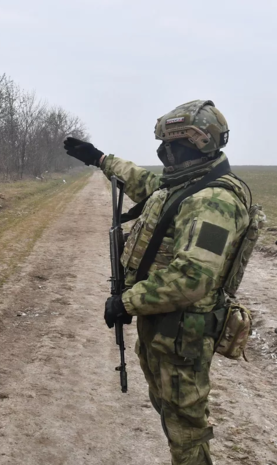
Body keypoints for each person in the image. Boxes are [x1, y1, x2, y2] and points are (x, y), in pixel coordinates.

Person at [64, 100, 251, 465]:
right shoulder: (187, 182)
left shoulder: (213, 201)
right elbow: (143, 181)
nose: (162, 151)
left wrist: (126, 302)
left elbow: (191, 279)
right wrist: (100, 159)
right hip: (165, 326)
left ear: (188, 143)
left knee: (185, 427)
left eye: (167, 143)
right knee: (168, 408)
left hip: (183, 331)